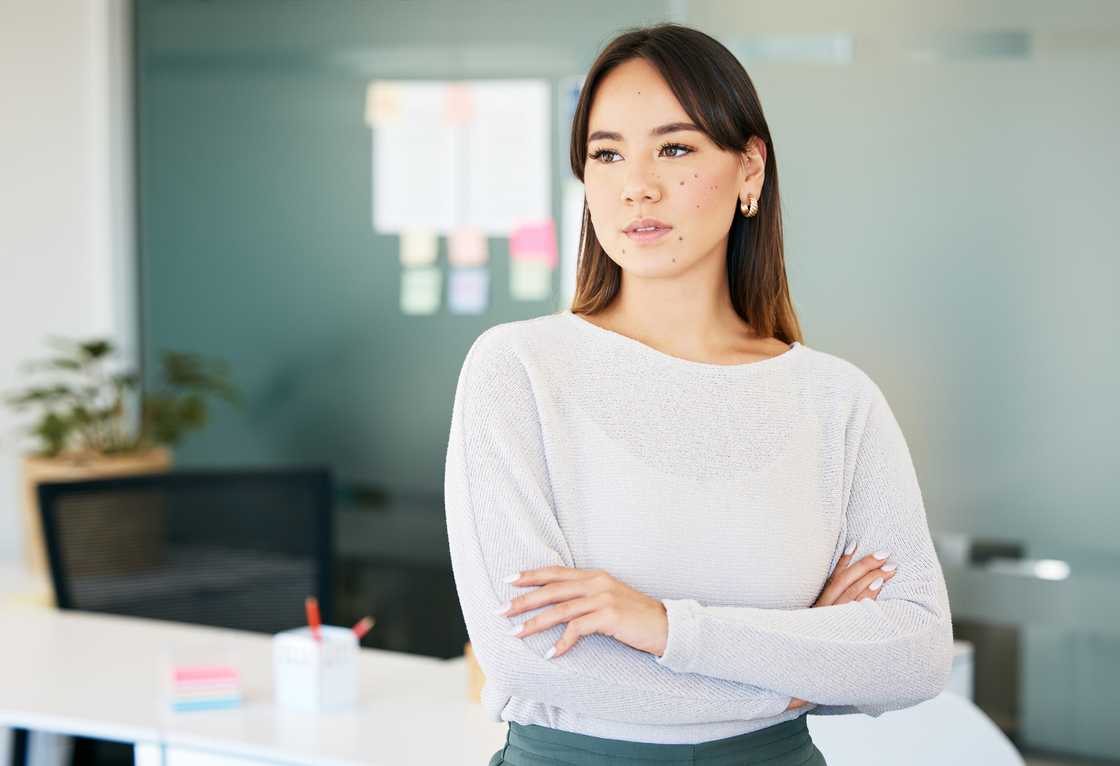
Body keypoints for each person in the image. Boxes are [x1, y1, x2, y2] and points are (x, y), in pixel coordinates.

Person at [444, 22, 954, 766]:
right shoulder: (518, 370)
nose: (637, 185)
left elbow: (912, 652)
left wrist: (665, 628)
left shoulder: (837, 400)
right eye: (606, 153)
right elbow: (530, 655)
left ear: (750, 169)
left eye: (674, 148)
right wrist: (793, 676)